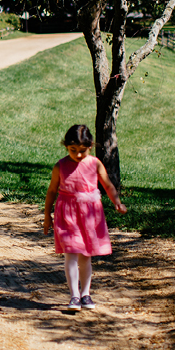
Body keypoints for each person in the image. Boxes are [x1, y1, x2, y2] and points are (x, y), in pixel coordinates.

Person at [44, 124, 127, 311]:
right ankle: (74, 296)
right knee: (71, 254)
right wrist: (47, 215)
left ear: (90, 146)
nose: (78, 155)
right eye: (73, 150)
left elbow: (107, 185)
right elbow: (51, 191)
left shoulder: (95, 163)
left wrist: (117, 202)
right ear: (66, 146)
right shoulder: (60, 166)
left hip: (89, 215)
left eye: (82, 150)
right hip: (67, 215)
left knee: (85, 256)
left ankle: (85, 294)